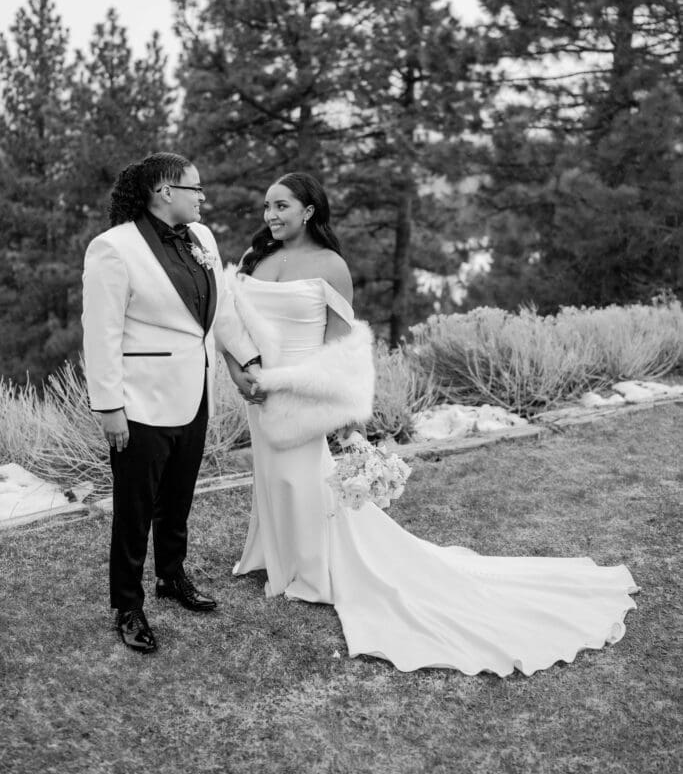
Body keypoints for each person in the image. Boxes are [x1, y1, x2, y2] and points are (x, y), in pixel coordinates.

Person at [226, 171, 639, 675]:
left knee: (302, 477)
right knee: (270, 475)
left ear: (309, 210)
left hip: (298, 391)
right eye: (267, 206)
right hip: (258, 388)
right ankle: (275, 555)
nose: (270, 215)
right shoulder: (259, 258)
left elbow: (339, 350)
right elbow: (235, 323)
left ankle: (310, 572)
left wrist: (301, 390)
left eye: (282, 206)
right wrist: (242, 371)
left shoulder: (330, 265)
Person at [82, 152, 261, 654]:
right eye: (195, 189)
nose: (203, 197)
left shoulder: (201, 238)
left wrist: (246, 359)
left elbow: (219, 310)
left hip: (193, 391)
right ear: (165, 191)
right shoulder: (112, 249)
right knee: (134, 509)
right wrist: (109, 407)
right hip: (139, 402)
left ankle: (171, 576)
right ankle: (128, 605)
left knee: (179, 496)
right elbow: (100, 334)